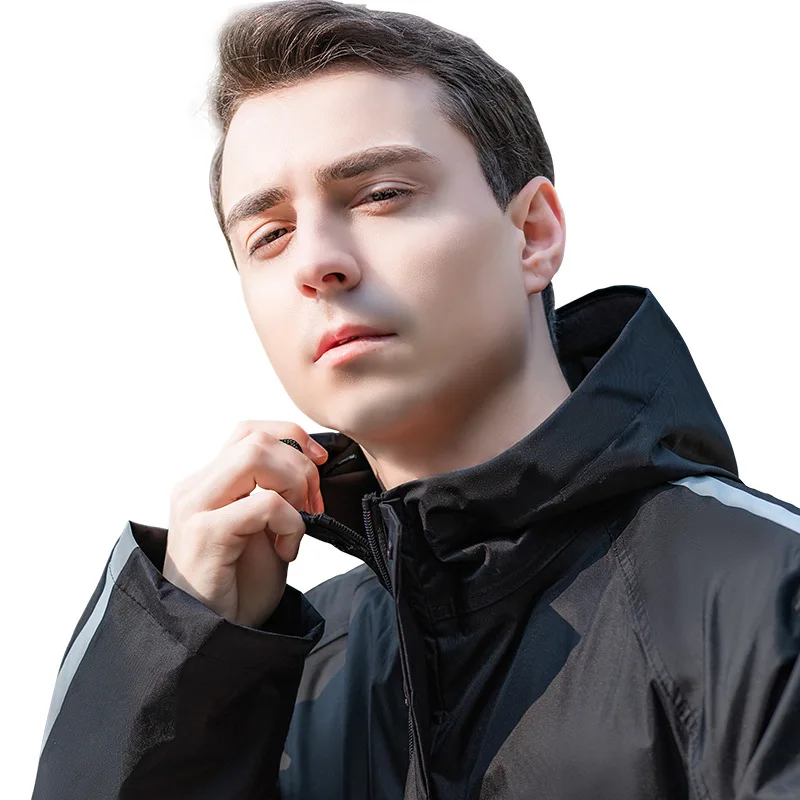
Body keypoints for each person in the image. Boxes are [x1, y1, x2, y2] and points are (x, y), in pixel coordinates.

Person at [33, 1, 800, 798]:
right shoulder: (276, 680)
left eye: (382, 193)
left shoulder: (768, 598)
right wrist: (185, 667)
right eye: (269, 234)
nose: (316, 263)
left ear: (534, 233)